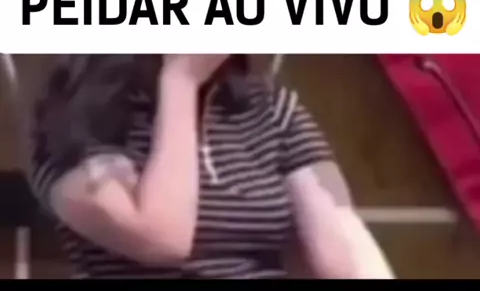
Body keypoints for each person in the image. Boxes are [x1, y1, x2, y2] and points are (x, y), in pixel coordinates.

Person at [29, 54, 394, 279]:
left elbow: (348, 258)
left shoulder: (268, 108)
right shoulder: (78, 124)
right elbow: (162, 237)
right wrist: (180, 81)